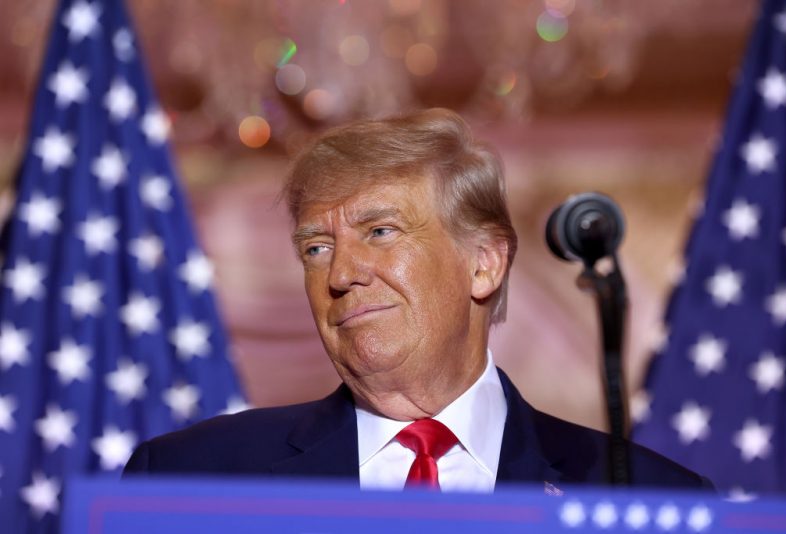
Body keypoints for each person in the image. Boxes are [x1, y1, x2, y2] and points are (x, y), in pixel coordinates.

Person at [124, 108, 712, 491]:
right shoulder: (190, 479)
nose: (342, 274)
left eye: (380, 233)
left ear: (484, 263)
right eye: (316, 248)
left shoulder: (644, 497)